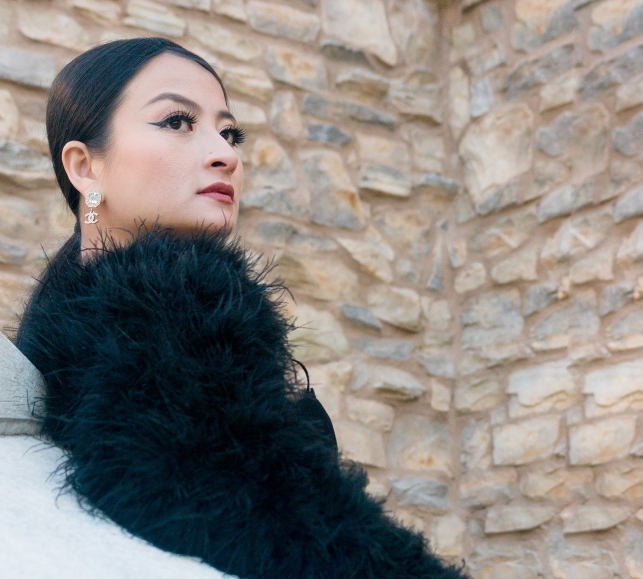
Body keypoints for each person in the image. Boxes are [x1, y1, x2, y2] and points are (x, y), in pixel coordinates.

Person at [12, 37, 467, 579]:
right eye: (177, 122)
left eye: (230, 133)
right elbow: (261, 528)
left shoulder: (82, 323)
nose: (226, 155)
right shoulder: (166, 315)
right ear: (85, 168)